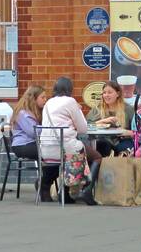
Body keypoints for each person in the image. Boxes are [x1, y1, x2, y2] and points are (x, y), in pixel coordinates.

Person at [39, 76, 99, 205]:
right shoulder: (70, 101)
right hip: (65, 149)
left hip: (45, 150)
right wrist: (78, 110)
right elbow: (83, 129)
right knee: (96, 157)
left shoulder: (48, 103)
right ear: (70, 89)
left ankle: (63, 193)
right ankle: (86, 190)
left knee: (67, 157)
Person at [86, 81, 134, 155]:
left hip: (122, 140)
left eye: (109, 92)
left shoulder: (128, 109)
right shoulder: (97, 109)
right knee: (101, 146)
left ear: (117, 94)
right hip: (103, 140)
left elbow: (138, 131)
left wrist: (129, 132)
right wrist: (102, 121)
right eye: (104, 93)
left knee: (126, 149)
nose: (106, 95)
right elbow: (86, 128)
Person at [9, 84, 47, 162]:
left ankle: (47, 173)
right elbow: (33, 132)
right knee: (49, 152)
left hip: (31, 144)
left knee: (52, 151)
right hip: (22, 145)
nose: (45, 100)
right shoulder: (22, 113)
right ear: (33, 99)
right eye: (42, 97)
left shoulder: (35, 112)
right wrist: (47, 128)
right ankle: (48, 174)